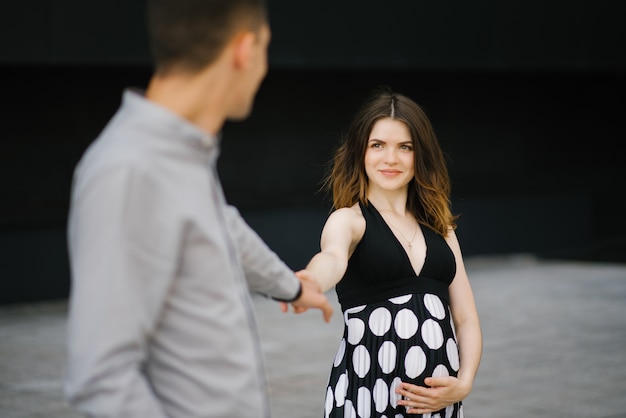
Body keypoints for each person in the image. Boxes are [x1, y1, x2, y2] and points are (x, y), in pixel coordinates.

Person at [64, 1, 333, 417]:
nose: (264, 69)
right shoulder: (130, 169)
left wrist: (294, 287)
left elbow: (225, 229)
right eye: (266, 50)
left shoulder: (183, 152)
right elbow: (101, 379)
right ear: (244, 50)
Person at [285, 87, 482, 417]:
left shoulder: (441, 228)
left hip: (438, 405)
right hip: (368, 393)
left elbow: (466, 317)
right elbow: (332, 257)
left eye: (405, 147)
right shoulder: (349, 220)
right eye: (378, 145)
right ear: (361, 152)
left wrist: (464, 383)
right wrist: (312, 280)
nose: (391, 158)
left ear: (421, 155)